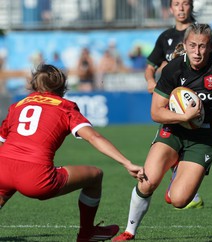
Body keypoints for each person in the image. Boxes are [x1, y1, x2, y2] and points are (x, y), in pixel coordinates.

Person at [113, 23, 212, 241]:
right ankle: (129, 232)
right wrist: (183, 117)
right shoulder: (174, 69)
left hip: (205, 138)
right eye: (192, 45)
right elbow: (156, 112)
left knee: (179, 200)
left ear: (211, 47)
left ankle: (181, 166)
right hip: (173, 131)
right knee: (148, 182)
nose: (197, 52)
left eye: (202, 46)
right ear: (185, 45)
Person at [0, 64, 146, 241]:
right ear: (63, 87)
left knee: (4, 187)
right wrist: (126, 163)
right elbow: (94, 137)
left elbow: (3, 139)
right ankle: (87, 233)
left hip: (3, 168)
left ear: (34, 85)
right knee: (95, 176)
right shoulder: (65, 106)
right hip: (36, 177)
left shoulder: (18, 105)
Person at [144, 0, 212, 210]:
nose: (181, 8)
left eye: (185, 4)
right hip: (174, 101)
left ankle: (193, 184)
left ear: (192, 7)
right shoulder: (165, 37)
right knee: (170, 150)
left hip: (201, 116)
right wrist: (151, 81)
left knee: (192, 144)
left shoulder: (202, 35)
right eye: (176, 4)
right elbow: (151, 67)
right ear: (170, 9)